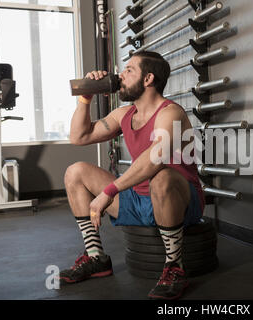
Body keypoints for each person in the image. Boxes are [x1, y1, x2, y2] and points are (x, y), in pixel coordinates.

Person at [58, 51, 205, 300]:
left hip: (180, 200)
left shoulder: (170, 113)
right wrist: (85, 97)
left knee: (161, 176)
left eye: (129, 70)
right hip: (139, 201)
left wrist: (108, 192)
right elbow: (78, 137)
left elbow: (155, 158)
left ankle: (175, 268)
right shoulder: (124, 115)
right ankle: (96, 257)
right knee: (76, 172)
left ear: (147, 79)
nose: (120, 75)